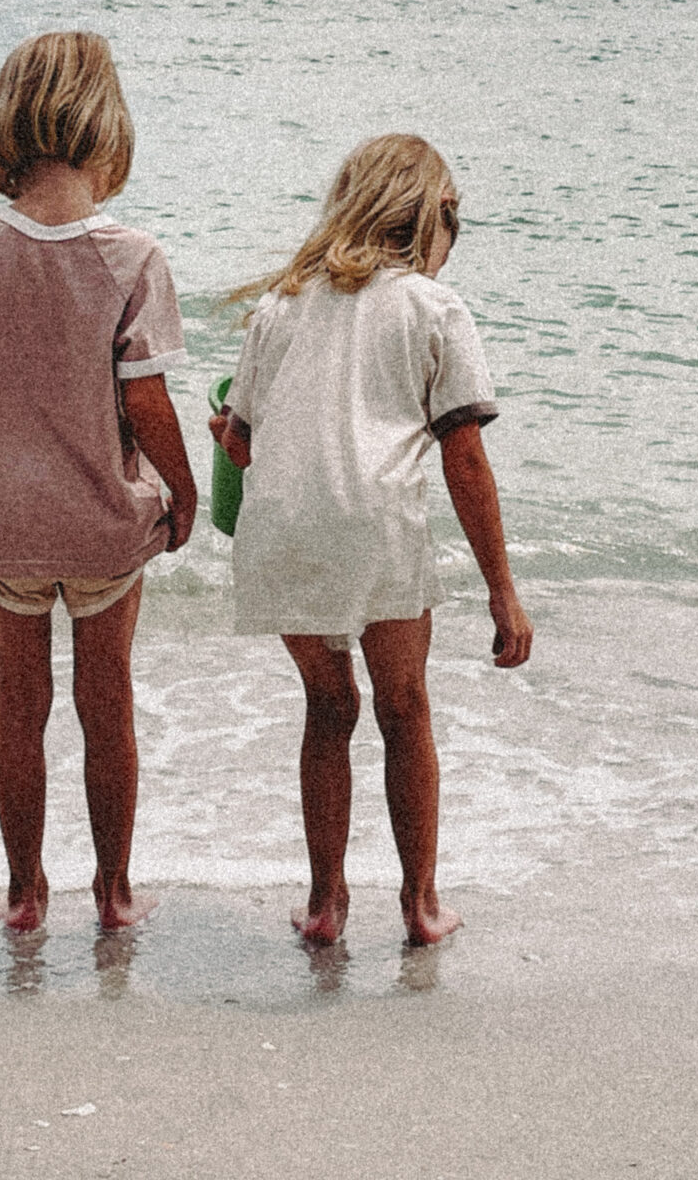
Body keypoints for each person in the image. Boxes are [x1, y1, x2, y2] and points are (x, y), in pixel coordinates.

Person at [209, 133, 532, 947]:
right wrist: (503, 588)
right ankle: (421, 906)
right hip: (377, 524)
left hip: (281, 530)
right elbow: (464, 456)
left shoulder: (280, 306)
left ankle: (325, 906)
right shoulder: (432, 307)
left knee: (327, 709)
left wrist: (229, 433)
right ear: (434, 218)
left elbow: (241, 442)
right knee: (403, 707)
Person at [0, 31, 196, 933]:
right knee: (105, 700)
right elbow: (145, 402)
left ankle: (27, 892)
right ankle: (112, 893)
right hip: (101, 525)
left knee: (18, 699)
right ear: (109, 125)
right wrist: (184, 493)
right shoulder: (132, 256)